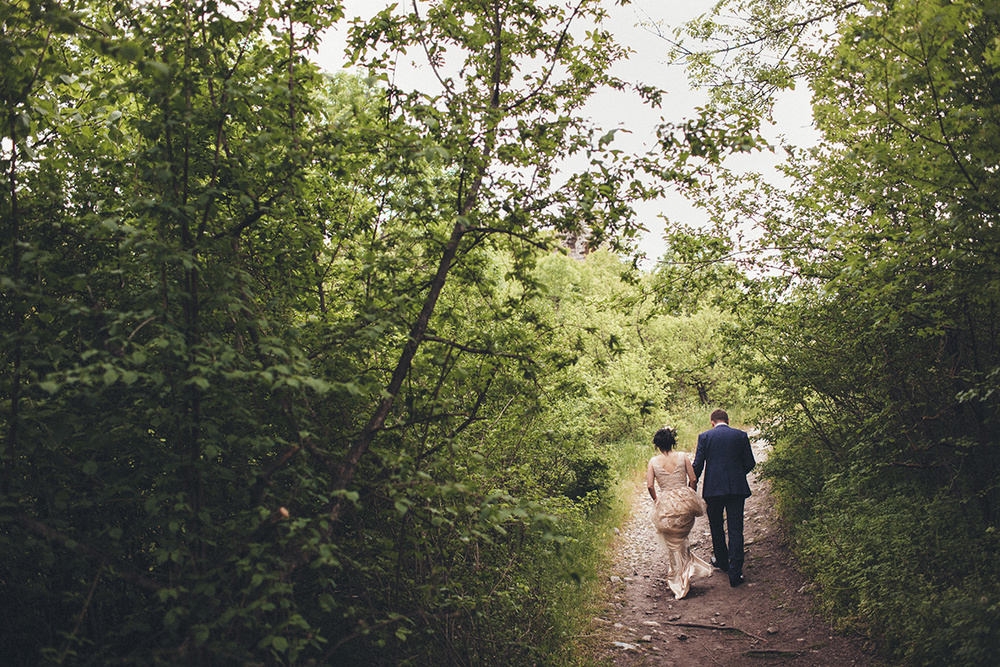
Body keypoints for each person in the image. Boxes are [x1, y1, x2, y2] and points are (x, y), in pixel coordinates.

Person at [646, 426, 713, 599]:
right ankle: (685, 574)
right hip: (684, 502)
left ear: (657, 445)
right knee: (682, 538)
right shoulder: (683, 456)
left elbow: (650, 485)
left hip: (666, 502)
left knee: (673, 544)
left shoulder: (653, 461)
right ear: (672, 442)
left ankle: (679, 577)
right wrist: (690, 494)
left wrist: (657, 500)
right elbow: (693, 479)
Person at [692, 408, 756, 587]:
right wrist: (737, 474)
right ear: (728, 420)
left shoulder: (705, 437)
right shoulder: (740, 436)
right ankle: (735, 573)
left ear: (712, 422)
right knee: (736, 529)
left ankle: (721, 560)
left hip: (713, 489)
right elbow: (750, 462)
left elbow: (698, 464)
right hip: (736, 489)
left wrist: (691, 483)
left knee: (716, 525)